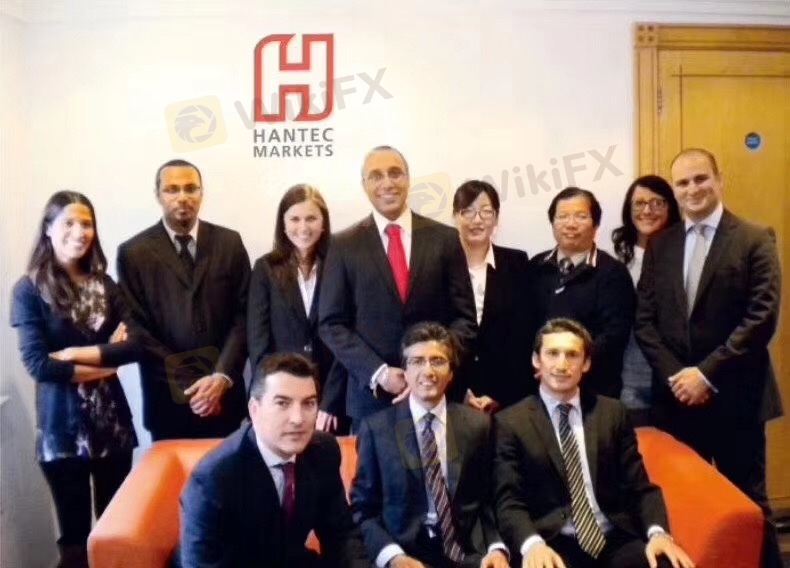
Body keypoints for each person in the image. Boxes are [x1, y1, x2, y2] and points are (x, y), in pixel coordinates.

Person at [635, 148, 783, 567]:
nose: (692, 189)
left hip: (736, 398)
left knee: (749, 504)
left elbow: (761, 318)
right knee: (687, 508)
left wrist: (705, 375)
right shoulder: (661, 244)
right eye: (682, 183)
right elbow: (645, 322)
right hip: (677, 402)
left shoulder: (754, 237)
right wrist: (678, 378)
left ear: (719, 180)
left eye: (701, 179)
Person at [494, 318, 695, 568]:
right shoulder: (511, 422)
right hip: (552, 541)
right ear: (536, 360)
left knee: (666, 564)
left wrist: (658, 534)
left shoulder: (612, 413)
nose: (561, 365)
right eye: (552, 353)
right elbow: (509, 500)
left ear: (586, 363)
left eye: (572, 355)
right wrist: (532, 544)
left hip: (612, 537)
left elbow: (639, 486)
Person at [11, 191, 140, 568]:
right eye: (68, 222)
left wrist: (71, 354)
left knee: (116, 530)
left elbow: (136, 346)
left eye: (86, 223)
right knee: (75, 540)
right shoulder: (29, 289)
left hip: (112, 427)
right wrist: (106, 363)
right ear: (48, 229)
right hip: (61, 433)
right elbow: (38, 365)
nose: (79, 231)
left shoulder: (107, 285)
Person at [319, 146, 477, 427]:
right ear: (364, 185)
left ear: (408, 178)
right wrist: (379, 373)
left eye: (395, 173)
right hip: (372, 400)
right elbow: (332, 324)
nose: (387, 183)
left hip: (438, 395)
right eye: (376, 176)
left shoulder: (444, 238)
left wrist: (431, 366)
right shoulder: (343, 245)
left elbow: (464, 319)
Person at [179, 353, 369, 568]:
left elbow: (341, 536)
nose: (298, 419)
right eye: (282, 403)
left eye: (308, 403)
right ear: (254, 410)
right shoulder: (212, 478)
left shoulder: (322, 450)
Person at [351, 322, 509, 568]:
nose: (428, 371)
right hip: (403, 553)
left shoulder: (477, 426)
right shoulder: (377, 429)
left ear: (451, 372)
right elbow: (363, 510)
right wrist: (392, 557)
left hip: (468, 556)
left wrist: (496, 548)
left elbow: (489, 499)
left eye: (437, 361)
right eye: (417, 361)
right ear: (404, 372)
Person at [117, 159, 250, 440]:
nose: (182, 197)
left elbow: (244, 317)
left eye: (191, 188)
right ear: (158, 195)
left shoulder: (230, 243)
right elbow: (138, 330)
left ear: (202, 192)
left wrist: (220, 377)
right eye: (172, 189)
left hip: (225, 400)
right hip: (168, 403)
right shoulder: (133, 253)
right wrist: (194, 387)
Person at [248, 184, 347, 433]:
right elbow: (259, 344)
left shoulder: (341, 264)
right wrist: (274, 399)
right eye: (294, 219)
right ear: (283, 224)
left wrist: (330, 401)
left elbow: (347, 335)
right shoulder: (265, 269)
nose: (303, 227)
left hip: (331, 403)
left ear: (323, 223)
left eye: (311, 218)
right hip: (281, 398)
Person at [529, 187, 634, 398]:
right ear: (552, 222)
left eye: (581, 216)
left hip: (594, 389)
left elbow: (614, 335)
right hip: (538, 386)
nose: (571, 224)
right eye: (563, 216)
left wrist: (568, 364)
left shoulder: (613, 272)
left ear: (595, 224)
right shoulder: (535, 266)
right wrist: (543, 364)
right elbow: (522, 326)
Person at [452, 180, 533, 411]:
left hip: (506, 397)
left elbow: (522, 336)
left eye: (486, 211)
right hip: (452, 394)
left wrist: (500, 396)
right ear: (455, 217)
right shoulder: (439, 265)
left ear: (496, 218)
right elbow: (434, 335)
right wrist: (457, 390)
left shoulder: (517, 263)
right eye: (467, 211)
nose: (477, 220)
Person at [611, 176, 681, 425]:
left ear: (670, 207)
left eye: (657, 203)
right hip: (630, 379)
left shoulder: (685, 255)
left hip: (676, 377)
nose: (647, 210)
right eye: (639, 203)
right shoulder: (617, 261)